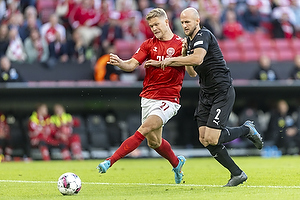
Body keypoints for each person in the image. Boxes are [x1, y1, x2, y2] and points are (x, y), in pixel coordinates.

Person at [145, 7, 263, 187]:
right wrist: (184, 54)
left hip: (221, 90)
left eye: (187, 22)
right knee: (204, 138)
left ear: (197, 21)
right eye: (182, 22)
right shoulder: (190, 42)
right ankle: (237, 174)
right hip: (206, 92)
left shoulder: (204, 35)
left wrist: (167, 61)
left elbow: (198, 59)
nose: (184, 25)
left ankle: (247, 130)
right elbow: (192, 72)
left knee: (213, 137)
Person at [96, 8, 186, 184]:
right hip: (148, 97)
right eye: (151, 26)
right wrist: (121, 63)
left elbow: (188, 66)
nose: (154, 28)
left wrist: (165, 62)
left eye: (157, 24)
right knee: (154, 142)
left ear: (166, 22)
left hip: (168, 99)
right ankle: (177, 163)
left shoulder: (180, 44)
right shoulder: (148, 44)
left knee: (143, 130)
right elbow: (131, 65)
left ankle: (110, 161)